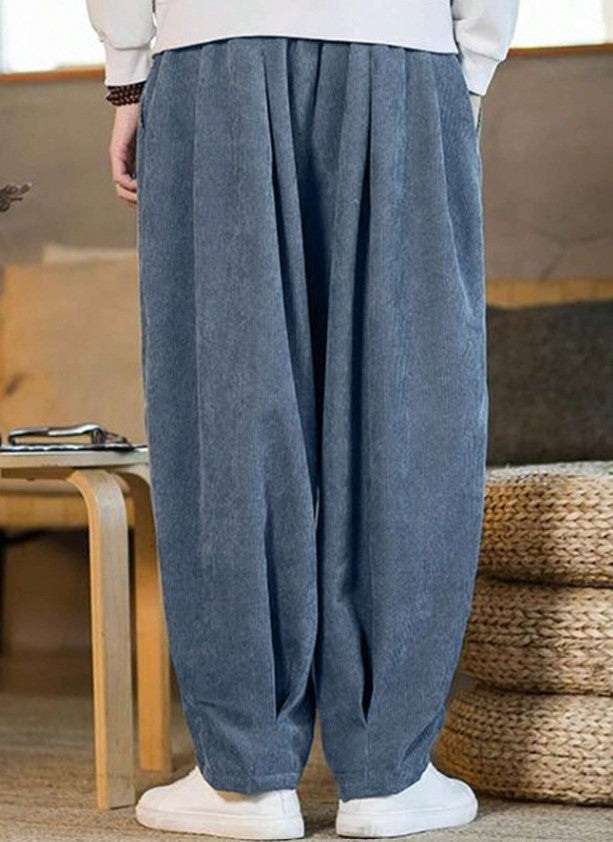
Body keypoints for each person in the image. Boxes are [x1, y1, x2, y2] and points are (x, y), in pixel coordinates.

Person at [86, 1, 519, 838]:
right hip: (403, 49)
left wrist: (128, 76)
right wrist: (467, 68)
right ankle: (388, 774)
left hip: (211, 54)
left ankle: (246, 778)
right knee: (409, 400)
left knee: (227, 404)